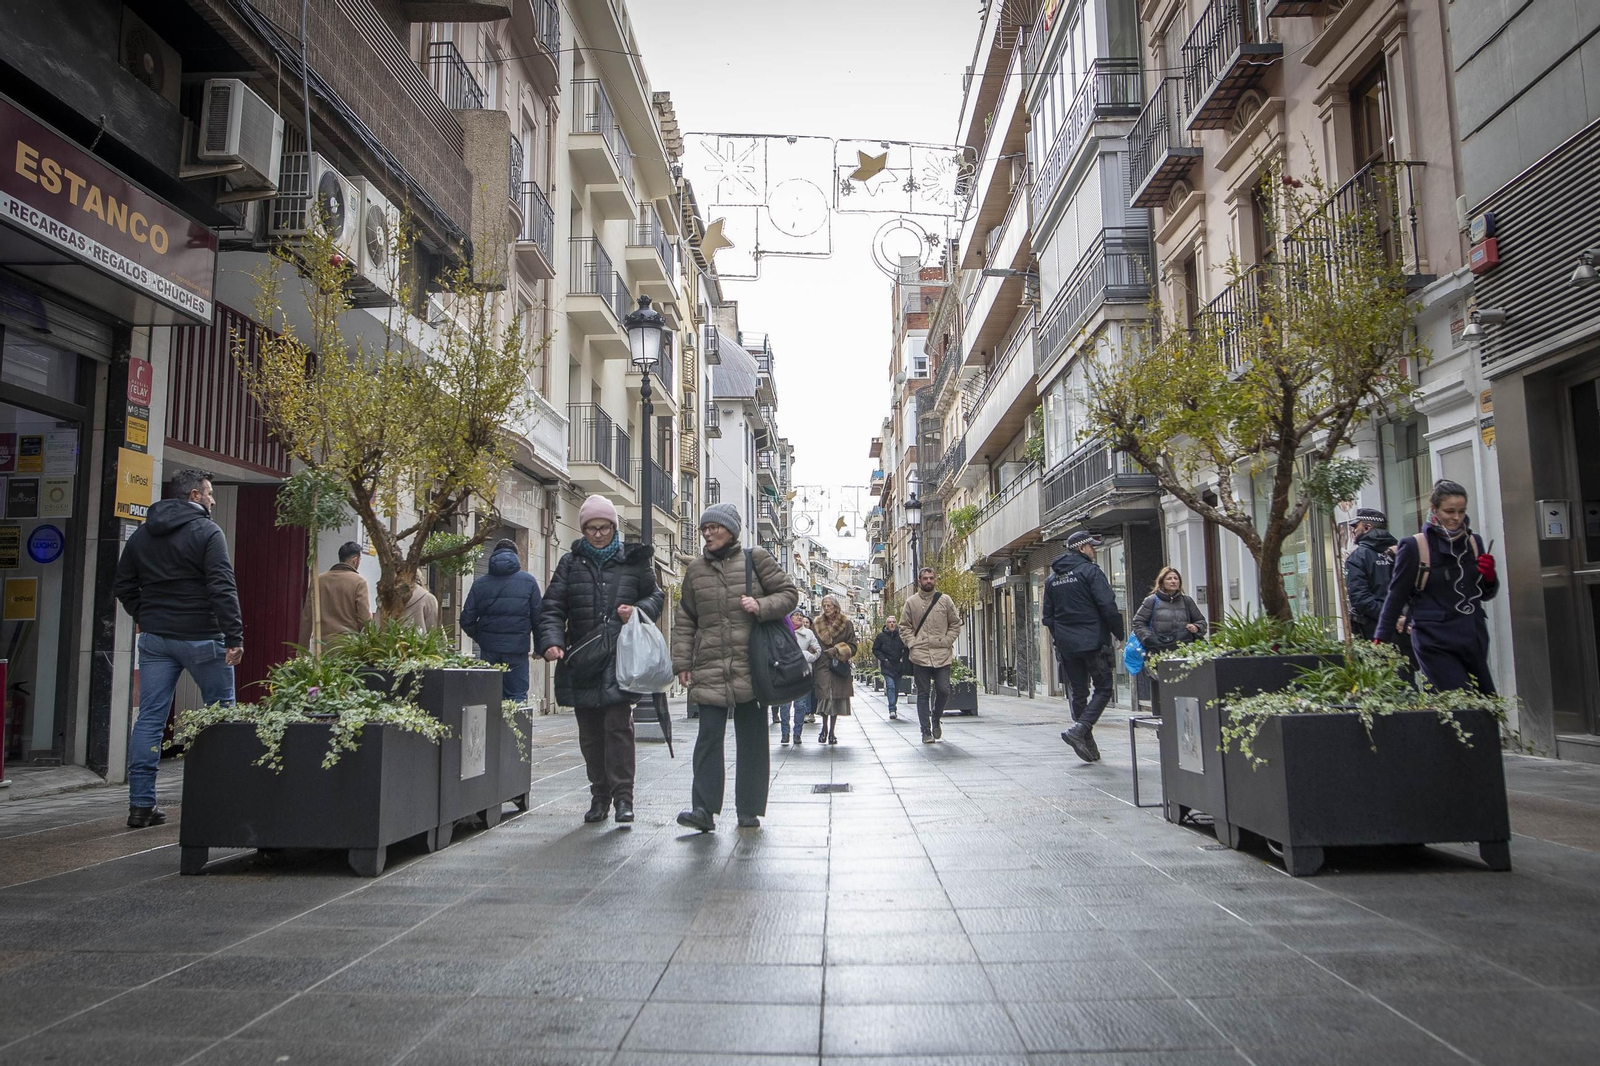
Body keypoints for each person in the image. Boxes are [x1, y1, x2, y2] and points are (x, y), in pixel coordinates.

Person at [114, 469, 243, 828]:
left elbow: (123, 584)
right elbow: (222, 586)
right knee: (221, 716)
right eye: (209, 493)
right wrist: (234, 636)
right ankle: (223, 800)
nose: (213, 500)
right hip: (204, 636)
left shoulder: (142, 535)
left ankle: (140, 805)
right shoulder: (207, 532)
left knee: (150, 720)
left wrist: (147, 616)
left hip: (157, 641)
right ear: (193, 496)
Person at [538, 495, 662, 825]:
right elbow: (552, 607)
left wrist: (638, 610)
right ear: (583, 529)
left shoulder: (634, 561)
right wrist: (551, 642)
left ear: (614, 527)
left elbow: (655, 597)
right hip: (583, 658)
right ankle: (599, 795)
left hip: (621, 658)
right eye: (591, 528)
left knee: (618, 727)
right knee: (591, 733)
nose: (597, 534)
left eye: (604, 527)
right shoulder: (570, 563)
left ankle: (624, 799)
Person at [673, 503, 798, 831]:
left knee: (753, 738)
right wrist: (682, 662)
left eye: (713, 527)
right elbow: (685, 618)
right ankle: (703, 810)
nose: (707, 533)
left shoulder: (755, 560)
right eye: (704, 528)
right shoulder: (696, 570)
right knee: (708, 737)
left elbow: (788, 594)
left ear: (731, 529)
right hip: (711, 664)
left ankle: (749, 809)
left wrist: (761, 605)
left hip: (752, 665)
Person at [1377, 480, 1499, 694]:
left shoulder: (1474, 542)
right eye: (1449, 511)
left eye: (1461, 511)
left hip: (1472, 635)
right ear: (1434, 509)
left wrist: (1489, 576)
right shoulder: (1415, 546)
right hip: (1433, 638)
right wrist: (1381, 636)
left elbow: (1485, 594)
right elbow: (1396, 594)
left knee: (1486, 703)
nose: (1456, 517)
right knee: (1458, 699)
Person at [1043, 530, 1125, 763]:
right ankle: (1081, 730)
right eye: (1092, 546)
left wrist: (1061, 637)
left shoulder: (1052, 579)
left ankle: (1086, 741)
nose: (1094, 550)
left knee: (1078, 692)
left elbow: (1047, 617)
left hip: (1067, 645)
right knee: (1104, 688)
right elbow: (1107, 605)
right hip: (1093, 642)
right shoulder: (1090, 572)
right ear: (1081, 548)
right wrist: (1118, 633)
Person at [461, 538, 543, 703]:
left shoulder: (480, 584)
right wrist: (540, 648)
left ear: (493, 556)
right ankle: (515, 728)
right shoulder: (529, 582)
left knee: (489, 695)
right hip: (517, 650)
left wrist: (483, 638)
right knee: (517, 696)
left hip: (489, 649)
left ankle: (491, 728)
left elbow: (466, 620)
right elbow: (539, 619)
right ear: (516, 556)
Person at [899, 567, 961, 743]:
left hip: (942, 653)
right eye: (925, 578)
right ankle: (925, 731)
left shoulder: (945, 600)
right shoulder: (911, 602)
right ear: (919, 581)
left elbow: (955, 623)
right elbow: (904, 626)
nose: (928, 581)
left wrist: (948, 640)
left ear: (935, 580)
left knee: (943, 690)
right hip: (920, 655)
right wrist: (912, 643)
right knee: (923, 693)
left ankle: (936, 717)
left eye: (931, 578)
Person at [298, 541, 371, 650]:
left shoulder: (318, 580)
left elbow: (307, 616)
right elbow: (364, 618)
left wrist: (302, 648)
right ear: (355, 560)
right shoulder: (359, 582)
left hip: (321, 645)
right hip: (349, 645)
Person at [1345, 508, 1399, 642]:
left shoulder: (1358, 557)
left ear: (1367, 527)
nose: (1353, 531)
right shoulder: (1402, 551)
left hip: (1374, 631)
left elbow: (1360, 599)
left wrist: (1391, 616)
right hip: (1405, 629)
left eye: (1355, 526)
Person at [812, 596, 859, 745]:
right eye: (824, 605)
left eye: (829, 605)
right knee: (825, 698)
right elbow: (811, 643)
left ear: (836, 607)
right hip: (822, 665)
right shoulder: (816, 624)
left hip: (839, 666)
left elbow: (853, 646)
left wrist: (839, 650)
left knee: (836, 700)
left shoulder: (846, 624)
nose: (826, 608)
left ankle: (832, 731)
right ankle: (824, 728)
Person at [1130, 567, 1206, 655]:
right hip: (1158, 651)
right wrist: (1150, 639)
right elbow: (1138, 622)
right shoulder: (1152, 600)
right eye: (1169, 579)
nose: (1173, 581)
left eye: (1176, 578)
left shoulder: (1187, 601)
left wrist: (1196, 627)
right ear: (1162, 583)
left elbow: (1201, 621)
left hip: (1184, 651)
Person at [777, 611, 821, 744]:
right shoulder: (782, 632)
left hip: (803, 672)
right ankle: (785, 733)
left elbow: (818, 650)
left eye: (801, 615)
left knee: (800, 705)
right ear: (789, 618)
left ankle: (797, 733)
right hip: (786, 673)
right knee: (784, 705)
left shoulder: (808, 633)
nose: (799, 617)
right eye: (796, 615)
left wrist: (807, 656)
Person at [872, 616, 910, 720]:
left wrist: (903, 659)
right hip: (887, 666)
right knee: (890, 686)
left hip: (898, 666)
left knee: (896, 688)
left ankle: (893, 706)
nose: (892, 624)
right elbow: (875, 649)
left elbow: (907, 648)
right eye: (890, 622)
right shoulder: (881, 636)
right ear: (886, 624)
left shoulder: (901, 636)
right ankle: (892, 709)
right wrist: (884, 659)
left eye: (894, 622)